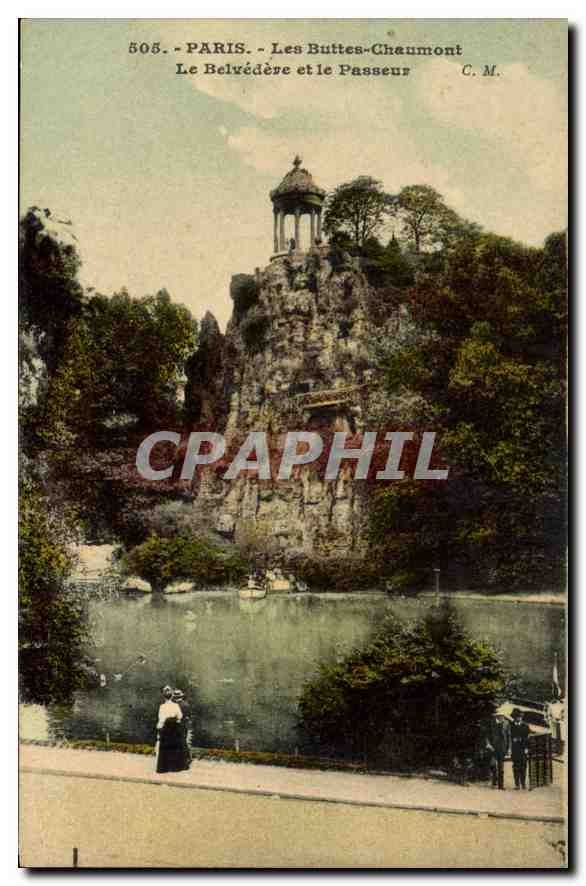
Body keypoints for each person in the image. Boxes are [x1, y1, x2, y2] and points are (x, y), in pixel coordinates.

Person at [155, 685, 184, 773]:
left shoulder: (162, 706)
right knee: (174, 747)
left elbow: (161, 719)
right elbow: (180, 716)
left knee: (165, 748)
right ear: (172, 696)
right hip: (174, 728)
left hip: (166, 728)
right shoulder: (176, 706)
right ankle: (175, 767)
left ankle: (164, 767)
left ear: (164, 696)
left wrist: (159, 728)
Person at [487, 714, 509, 790]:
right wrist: (488, 744)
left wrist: (509, 748)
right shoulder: (491, 723)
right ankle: (494, 780)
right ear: (497, 716)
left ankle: (501, 785)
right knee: (492, 764)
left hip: (502, 748)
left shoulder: (506, 723)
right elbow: (487, 735)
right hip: (493, 747)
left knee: (501, 767)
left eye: (503, 716)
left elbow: (508, 735)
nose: (502, 718)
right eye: (500, 716)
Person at [510, 708, 530, 789]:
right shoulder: (510, 725)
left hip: (523, 749)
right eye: (516, 717)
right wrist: (512, 741)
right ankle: (517, 784)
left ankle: (523, 783)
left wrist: (526, 747)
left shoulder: (525, 726)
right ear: (514, 717)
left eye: (520, 717)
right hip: (514, 749)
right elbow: (508, 736)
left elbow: (528, 738)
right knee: (515, 766)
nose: (518, 718)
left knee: (523, 766)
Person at [172, 688, 191, 771]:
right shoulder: (186, 704)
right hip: (184, 726)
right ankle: (187, 759)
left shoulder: (175, 706)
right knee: (183, 743)